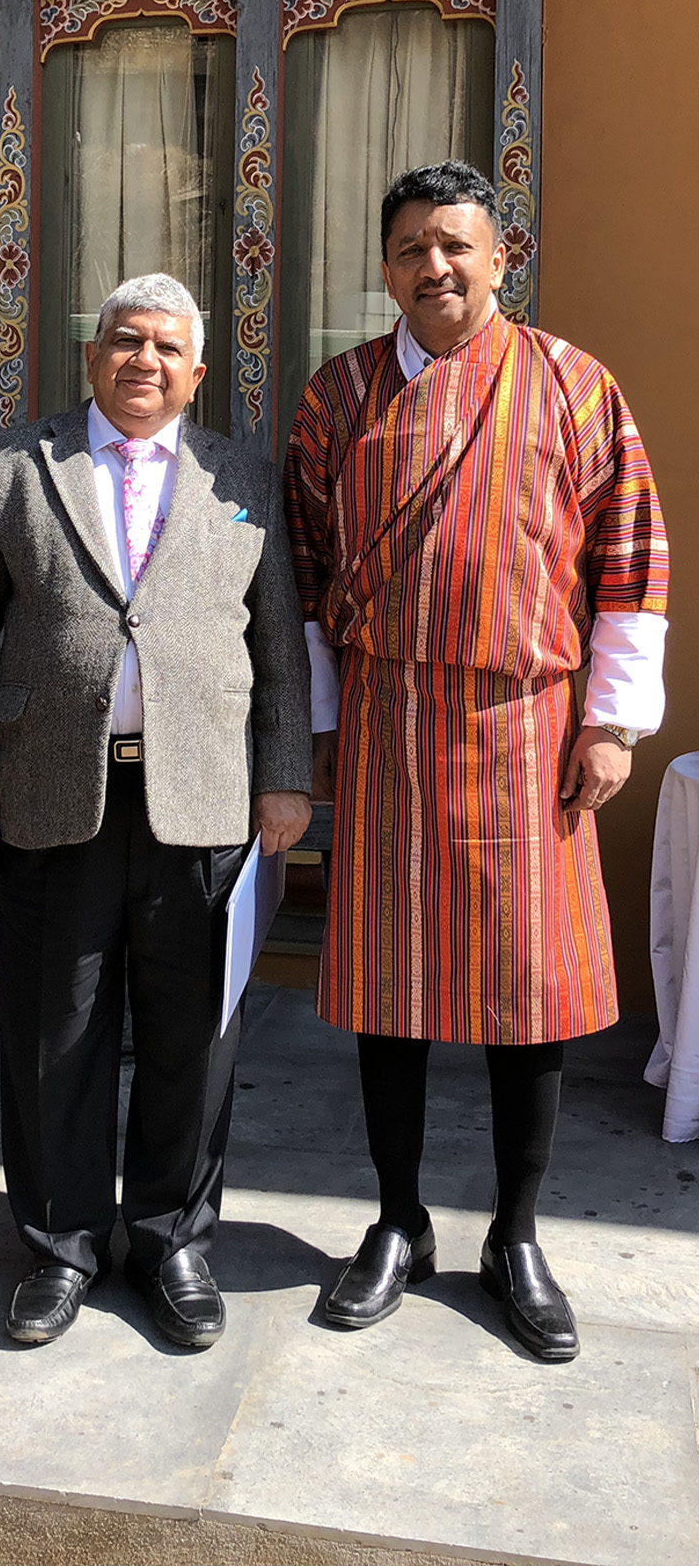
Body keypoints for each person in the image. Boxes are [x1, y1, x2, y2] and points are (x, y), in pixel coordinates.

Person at [285, 161, 668, 1363]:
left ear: (500, 257)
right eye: (409, 249)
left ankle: (515, 1231)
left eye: (455, 246)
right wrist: (322, 721)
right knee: (391, 990)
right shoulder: (338, 396)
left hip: (532, 727)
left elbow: (632, 557)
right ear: (385, 268)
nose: (434, 268)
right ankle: (398, 1222)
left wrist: (610, 720)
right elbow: (299, 573)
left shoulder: (574, 386)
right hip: (390, 720)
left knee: (529, 994)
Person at [0, 274, 312, 1349]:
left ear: (196, 372)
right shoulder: (9, 465)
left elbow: (276, 638)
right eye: (125, 341)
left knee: (197, 1028)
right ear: (93, 358)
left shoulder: (241, 474)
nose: (145, 360)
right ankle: (60, 1245)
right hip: (53, 788)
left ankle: (171, 1239)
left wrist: (286, 773)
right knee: (58, 1025)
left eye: (167, 348)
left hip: (206, 797)